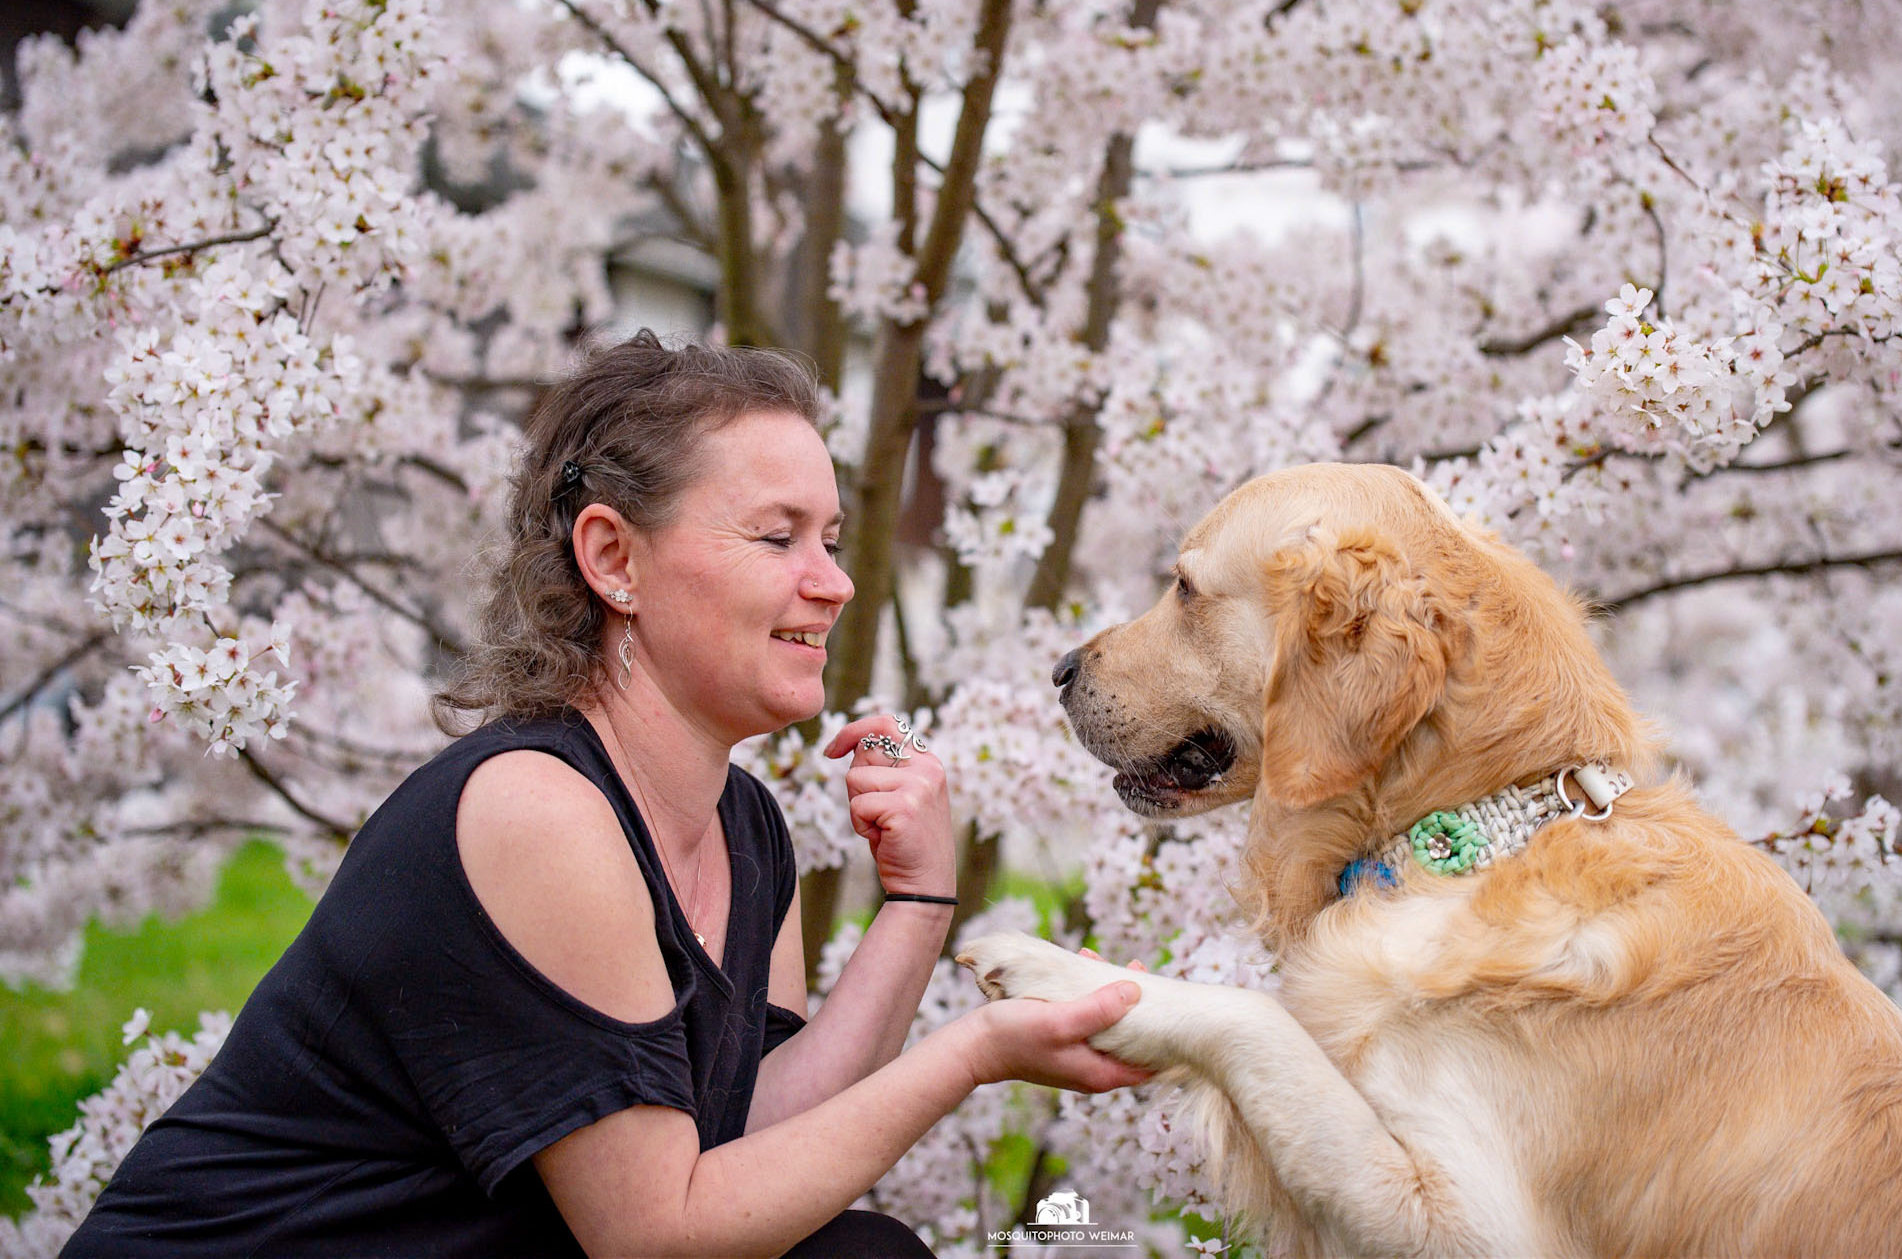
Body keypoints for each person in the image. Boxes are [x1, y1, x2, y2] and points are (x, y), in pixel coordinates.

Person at [62, 332, 1148, 1258]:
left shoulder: (747, 830)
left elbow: (736, 1148)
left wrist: (914, 904)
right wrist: (975, 1053)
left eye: (829, 539)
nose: (834, 581)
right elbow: (655, 1238)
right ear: (612, 558)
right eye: (777, 538)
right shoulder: (536, 809)